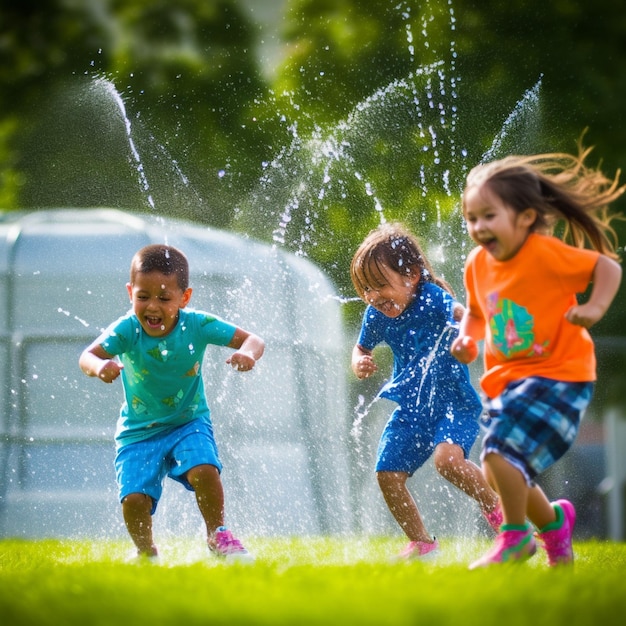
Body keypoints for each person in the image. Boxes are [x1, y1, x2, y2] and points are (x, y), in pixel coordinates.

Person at [451, 144, 623, 568]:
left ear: (526, 218)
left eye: (489, 216)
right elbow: (475, 313)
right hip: (508, 380)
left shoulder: (545, 254)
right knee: (497, 468)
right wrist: (467, 339)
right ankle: (554, 525)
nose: (478, 227)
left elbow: (607, 268)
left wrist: (595, 308)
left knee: (499, 456)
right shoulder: (477, 263)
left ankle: (515, 537)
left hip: (560, 374)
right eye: (471, 218)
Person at [79, 244, 264, 562]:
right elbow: (88, 355)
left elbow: (254, 339)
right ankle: (145, 552)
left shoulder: (197, 324)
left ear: (184, 297)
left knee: (205, 470)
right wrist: (100, 367)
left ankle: (217, 534)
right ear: (130, 292)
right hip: (138, 431)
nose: (153, 306)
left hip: (188, 421)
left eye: (164, 298)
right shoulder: (128, 329)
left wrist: (247, 354)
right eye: (143, 296)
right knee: (134, 499)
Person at [350, 222, 501, 560]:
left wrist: (470, 335)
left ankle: (502, 517)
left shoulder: (432, 299)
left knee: (448, 462)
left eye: (379, 285)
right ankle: (422, 543)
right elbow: (361, 348)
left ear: (412, 275)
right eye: (365, 289)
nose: (373, 297)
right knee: (387, 473)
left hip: (452, 400)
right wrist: (359, 361)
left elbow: (465, 317)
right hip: (411, 407)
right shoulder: (375, 315)